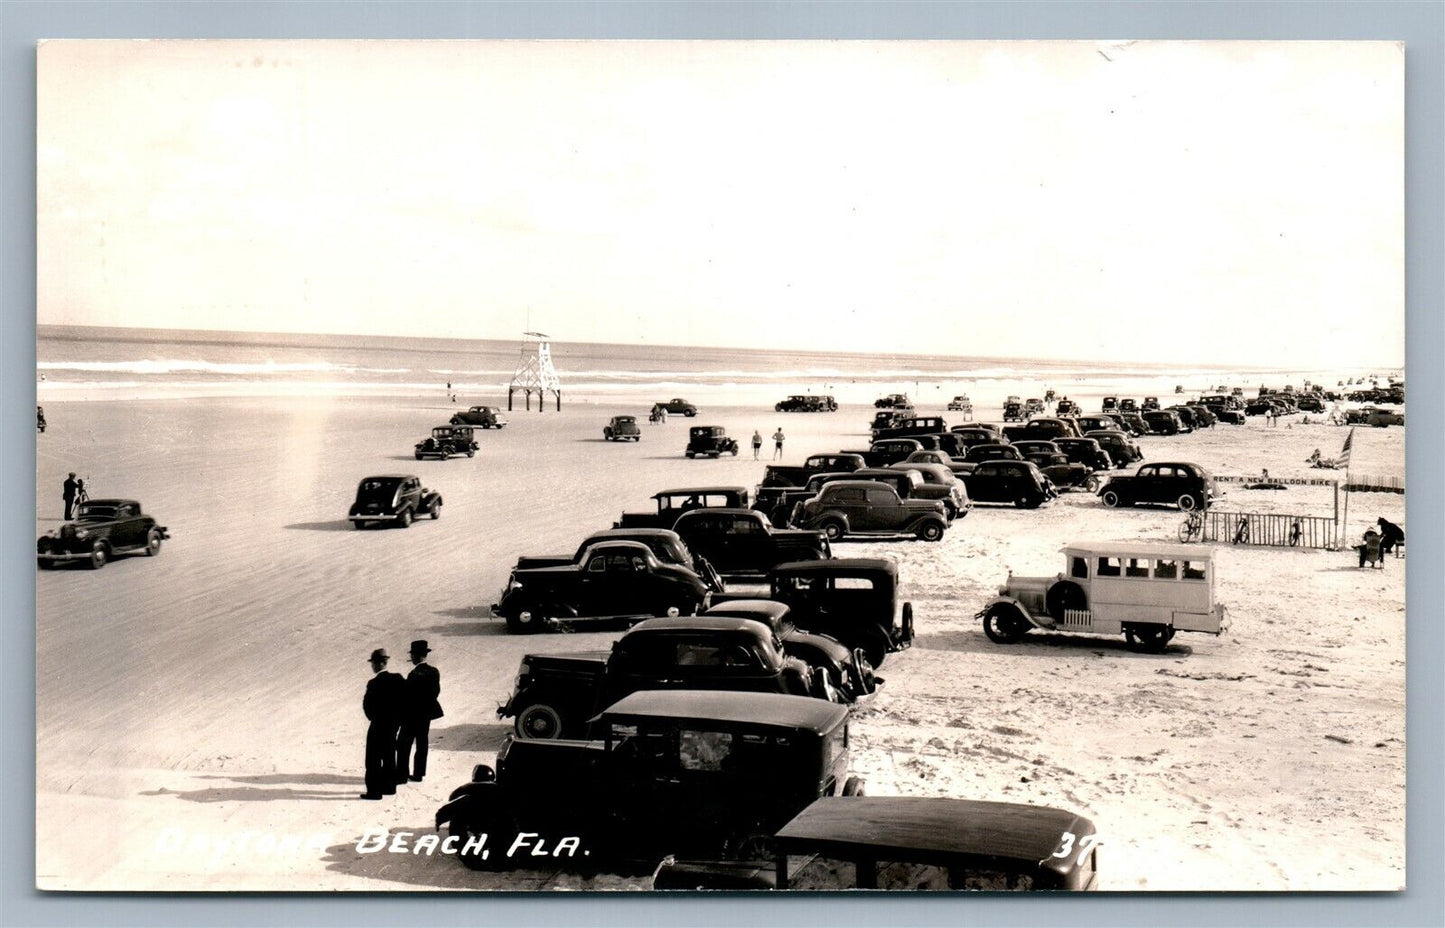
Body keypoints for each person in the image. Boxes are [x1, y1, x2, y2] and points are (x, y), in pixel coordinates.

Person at [360, 648, 406, 800]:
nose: (372, 666)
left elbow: (367, 706)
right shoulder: (398, 679)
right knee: (389, 756)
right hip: (392, 726)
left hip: (377, 725)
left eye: (373, 663)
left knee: (373, 759)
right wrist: (397, 721)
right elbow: (406, 701)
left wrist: (374, 718)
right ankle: (389, 788)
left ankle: (374, 791)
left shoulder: (373, 683)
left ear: (379, 663)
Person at [396, 640, 443, 784]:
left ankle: (402, 774)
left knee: (403, 743)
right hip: (426, 714)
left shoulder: (413, 674)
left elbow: (407, 696)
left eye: (412, 655)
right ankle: (418, 774)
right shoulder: (434, 672)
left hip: (411, 715)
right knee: (422, 743)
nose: (411, 658)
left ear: (416, 656)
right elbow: (436, 691)